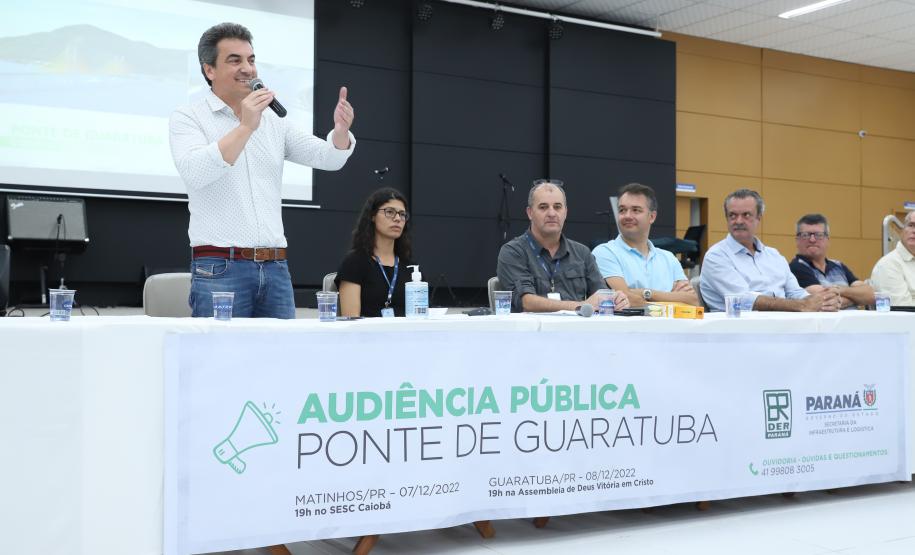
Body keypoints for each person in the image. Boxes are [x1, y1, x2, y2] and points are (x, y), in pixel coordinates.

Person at [169, 22, 355, 318]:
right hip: (219, 268)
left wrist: (341, 132)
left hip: (275, 267)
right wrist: (245, 126)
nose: (248, 69)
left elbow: (328, 157)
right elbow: (196, 171)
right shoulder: (189, 118)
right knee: (219, 360)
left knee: (281, 360)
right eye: (235, 60)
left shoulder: (273, 121)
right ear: (209, 70)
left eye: (251, 59)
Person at [497, 179, 629, 313]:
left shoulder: (582, 253)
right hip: (532, 331)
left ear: (565, 212)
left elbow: (602, 295)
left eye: (557, 207)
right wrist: (580, 306)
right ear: (530, 213)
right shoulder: (513, 252)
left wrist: (616, 300)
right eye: (543, 207)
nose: (552, 213)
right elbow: (526, 302)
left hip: (578, 331)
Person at [699, 189, 840, 312]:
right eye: (732, 215)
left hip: (783, 328)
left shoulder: (774, 255)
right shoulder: (716, 256)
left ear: (759, 217)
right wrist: (800, 305)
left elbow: (796, 293)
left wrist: (823, 301)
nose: (738, 221)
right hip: (739, 333)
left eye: (746, 215)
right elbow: (742, 299)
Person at [592, 183, 699, 307]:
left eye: (636, 210)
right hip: (629, 326)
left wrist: (646, 293)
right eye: (622, 210)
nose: (627, 216)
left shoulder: (669, 258)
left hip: (671, 326)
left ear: (652, 217)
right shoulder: (604, 253)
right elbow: (626, 299)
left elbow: (693, 302)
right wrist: (673, 298)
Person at [336, 188, 413, 317]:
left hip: (407, 336)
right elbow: (351, 319)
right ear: (372, 216)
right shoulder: (355, 262)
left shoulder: (410, 266)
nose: (398, 218)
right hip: (367, 336)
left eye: (402, 214)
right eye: (390, 212)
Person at [789, 213, 874, 308]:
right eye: (805, 235)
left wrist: (840, 290)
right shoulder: (795, 268)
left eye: (819, 235)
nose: (812, 239)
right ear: (797, 240)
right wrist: (858, 299)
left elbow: (870, 294)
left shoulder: (838, 265)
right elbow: (825, 299)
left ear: (827, 239)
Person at [870, 211, 915, 306]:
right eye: (911, 225)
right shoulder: (888, 265)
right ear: (902, 230)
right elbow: (904, 309)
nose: (914, 230)